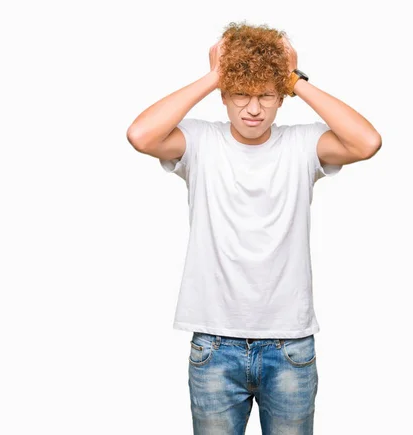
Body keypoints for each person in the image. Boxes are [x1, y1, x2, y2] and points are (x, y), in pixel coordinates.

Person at [126, 21, 381, 435]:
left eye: (266, 94)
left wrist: (295, 79)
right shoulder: (199, 141)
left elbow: (366, 143)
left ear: (281, 98)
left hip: (290, 346)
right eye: (241, 93)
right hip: (214, 344)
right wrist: (213, 76)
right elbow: (140, 134)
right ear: (224, 96)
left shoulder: (302, 144)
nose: (253, 108)